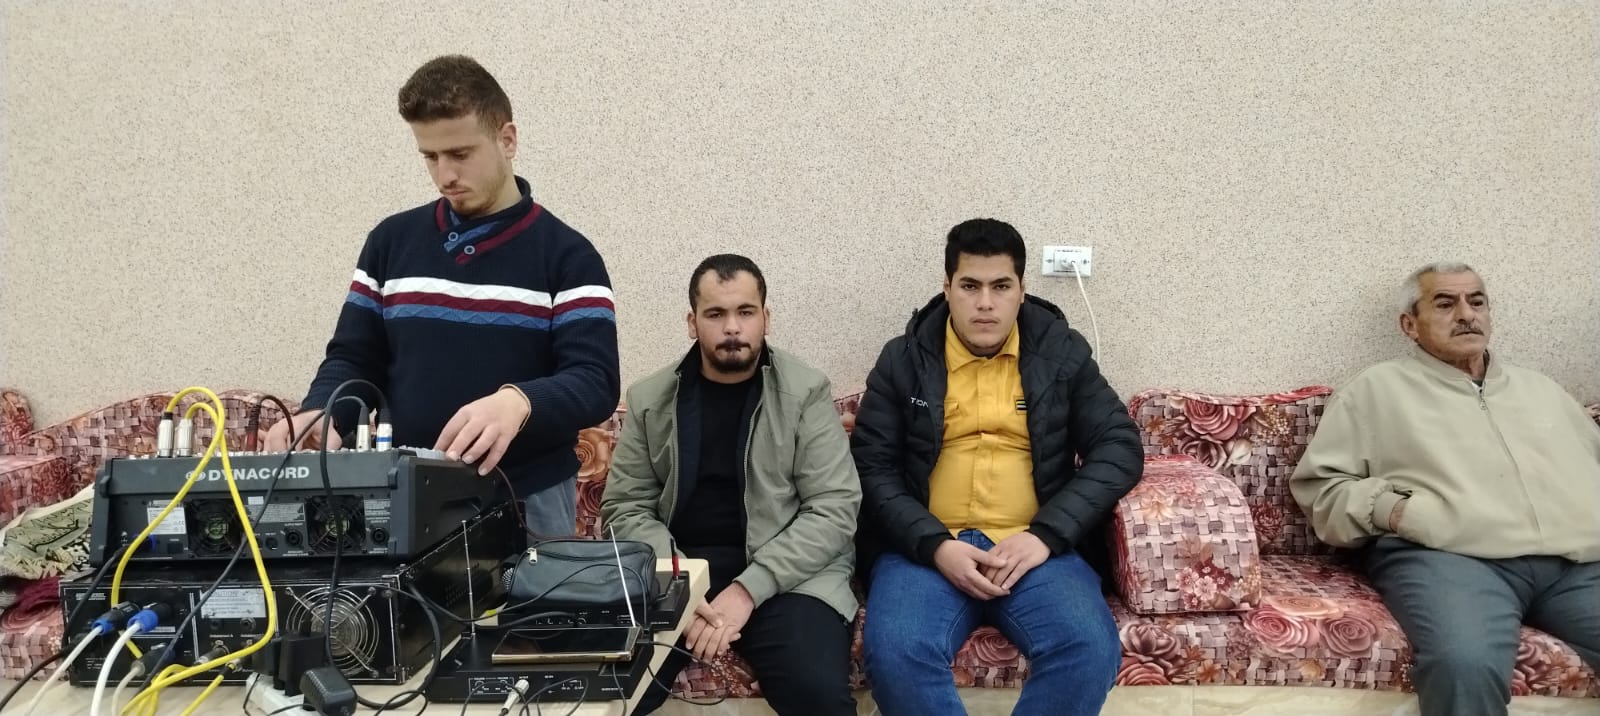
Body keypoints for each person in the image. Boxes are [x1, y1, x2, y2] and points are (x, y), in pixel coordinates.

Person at [264, 55, 619, 536]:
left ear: (507, 140)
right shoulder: (390, 242)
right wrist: (324, 414)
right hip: (405, 492)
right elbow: (354, 357)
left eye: (460, 154)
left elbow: (595, 381)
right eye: (430, 157)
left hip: (528, 498)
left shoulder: (568, 255)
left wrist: (518, 402)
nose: (445, 174)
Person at [851, 218, 1142, 716]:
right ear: (947, 288)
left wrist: (1045, 536)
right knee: (896, 652)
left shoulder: (1061, 354)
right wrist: (935, 546)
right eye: (970, 286)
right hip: (926, 551)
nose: (985, 303)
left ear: (1021, 291)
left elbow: (1118, 446)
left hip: (1033, 549)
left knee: (1088, 648)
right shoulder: (903, 360)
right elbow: (872, 467)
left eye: (1000, 286)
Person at [1291, 262, 1600, 716]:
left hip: (1576, 566)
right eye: (1444, 303)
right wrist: (1396, 511)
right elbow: (1322, 488)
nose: (1466, 314)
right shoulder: (1375, 390)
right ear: (1409, 325)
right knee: (1463, 664)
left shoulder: (1543, 391)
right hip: (1451, 561)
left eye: (1477, 302)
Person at [601, 254, 860, 716]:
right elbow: (625, 507)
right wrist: (680, 585)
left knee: (817, 694)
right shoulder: (649, 399)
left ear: (766, 318)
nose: (733, 328)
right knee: (607, 691)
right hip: (675, 575)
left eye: (745, 312)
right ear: (692, 323)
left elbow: (833, 508)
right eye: (716, 314)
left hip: (788, 579)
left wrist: (747, 590)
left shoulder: (805, 393)